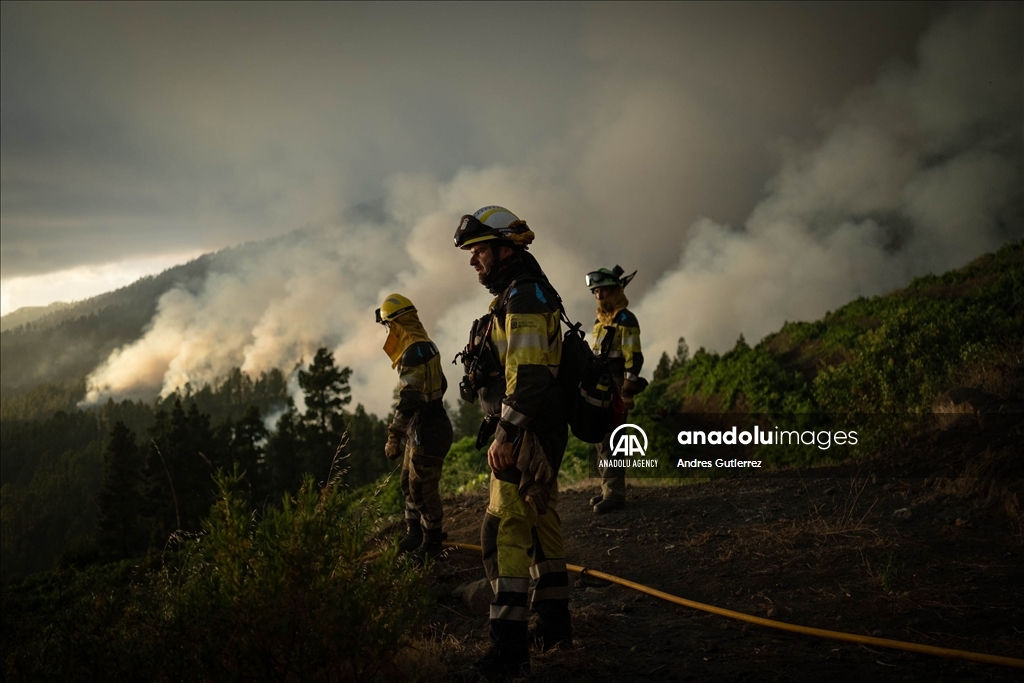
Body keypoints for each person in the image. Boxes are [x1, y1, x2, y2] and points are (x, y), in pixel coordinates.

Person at [454, 206, 572, 680]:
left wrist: (508, 430)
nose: (473, 261)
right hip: (540, 432)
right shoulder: (523, 292)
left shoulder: (523, 297)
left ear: (506, 247)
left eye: (478, 250)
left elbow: (528, 373)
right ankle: (555, 626)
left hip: (527, 436)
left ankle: (509, 649)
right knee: (541, 525)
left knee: (502, 530)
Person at [376, 293, 453, 560]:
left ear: (397, 323)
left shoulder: (413, 351)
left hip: (426, 431)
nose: (388, 332)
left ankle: (431, 544)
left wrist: (393, 435)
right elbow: (441, 385)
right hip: (425, 427)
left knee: (422, 489)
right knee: (408, 484)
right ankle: (415, 534)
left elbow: (409, 399)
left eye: (388, 326)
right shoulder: (426, 345)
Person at [586, 266, 645, 514]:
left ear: (617, 290)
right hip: (601, 386)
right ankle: (607, 490)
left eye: (604, 290)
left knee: (614, 440)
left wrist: (627, 391)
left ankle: (615, 495)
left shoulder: (625, 319)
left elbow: (634, 358)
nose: (599, 296)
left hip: (617, 386)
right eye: (595, 291)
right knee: (602, 439)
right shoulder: (600, 320)